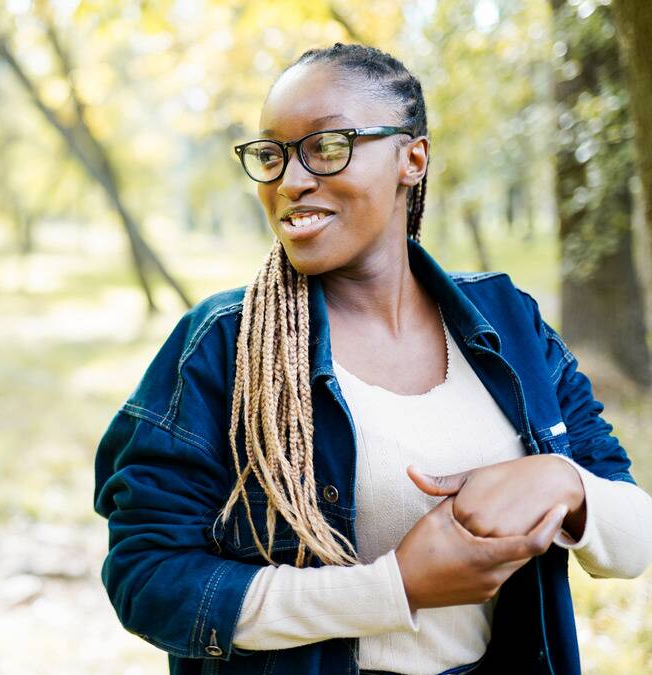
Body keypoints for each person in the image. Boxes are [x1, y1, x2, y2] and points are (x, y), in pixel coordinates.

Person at [94, 43, 652, 675]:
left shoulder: (509, 322)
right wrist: (394, 589)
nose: (291, 180)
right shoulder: (223, 345)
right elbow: (149, 580)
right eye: (271, 154)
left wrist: (563, 482)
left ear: (411, 157)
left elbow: (631, 542)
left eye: (327, 146)